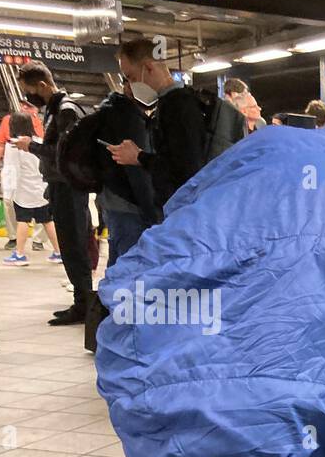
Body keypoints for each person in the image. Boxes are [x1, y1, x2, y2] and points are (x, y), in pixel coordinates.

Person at [14, 61, 94, 326]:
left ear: (42, 85)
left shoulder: (66, 110)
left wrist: (32, 145)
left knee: (74, 244)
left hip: (69, 186)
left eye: (29, 91)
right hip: (61, 185)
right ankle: (80, 301)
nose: (29, 97)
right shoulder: (54, 110)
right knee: (70, 244)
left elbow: (64, 152)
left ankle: (84, 304)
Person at [106, 36, 205, 212]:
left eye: (131, 77)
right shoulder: (173, 103)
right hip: (178, 206)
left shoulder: (178, 106)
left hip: (183, 209)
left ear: (149, 67)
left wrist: (139, 157)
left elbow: (185, 168)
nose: (130, 85)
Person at [95, 84, 159, 263]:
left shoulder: (110, 111)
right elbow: (138, 175)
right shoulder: (130, 120)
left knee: (118, 266)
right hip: (130, 207)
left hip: (113, 202)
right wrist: (152, 215)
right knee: (132, 270)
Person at [0, 112, 59, 266]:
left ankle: (19, 254)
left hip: (23, 190)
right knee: (47, 220)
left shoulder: (13, 144)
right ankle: (59, 252)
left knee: (23, 220)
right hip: (41, 188)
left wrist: (8, 191)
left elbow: (11, 169)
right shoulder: (39, 142)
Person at [0, 100, 44, 251]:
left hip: (34, 171)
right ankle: (13, 237)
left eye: (29, 105)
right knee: (9, 202)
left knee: (41, 207)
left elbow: (43, 149)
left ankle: (38, 240)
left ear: (36, 109)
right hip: (12, 170)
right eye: (23, 104)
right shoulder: (8, 120)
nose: (25, 107)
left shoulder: (39, 124)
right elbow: (0, 144)